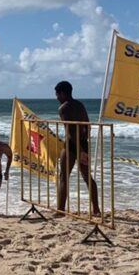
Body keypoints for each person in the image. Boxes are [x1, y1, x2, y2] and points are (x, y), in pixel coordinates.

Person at [55, 80, 100, 216]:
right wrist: (84, 146)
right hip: (83, 142)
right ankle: (96, 209)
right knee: (87, 177)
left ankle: (61, 210)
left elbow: (70, 131)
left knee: (64, 177)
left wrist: (79, 150)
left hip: (71, 145)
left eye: (57, 94)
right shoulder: (80, 105)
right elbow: (87, 125)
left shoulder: (63, 108)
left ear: (62, 93)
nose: (56, 98)